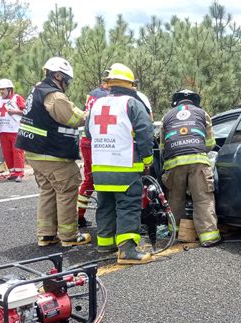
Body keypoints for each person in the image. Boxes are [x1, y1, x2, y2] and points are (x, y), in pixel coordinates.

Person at [15, 57, 91, 247]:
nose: (67, 84)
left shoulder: (37, 90)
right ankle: (69, 236)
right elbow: (73, 118)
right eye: (67, 79)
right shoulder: (54, 96)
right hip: (52, 153)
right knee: (66, 191)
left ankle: (46, 235)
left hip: (35, 153)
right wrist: (90, 114)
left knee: (48, 191)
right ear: (58, 75)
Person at [86, 63, 154, 264]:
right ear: (130, 84)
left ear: (110, 84)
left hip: (100, 168)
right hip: (124, 167)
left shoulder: (96, 105)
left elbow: (89, 133)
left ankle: (105, 243)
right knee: (128, 206)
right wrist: (147, 159)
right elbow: (145, 132)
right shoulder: (132, 104)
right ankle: (127, 251)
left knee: (105, 205)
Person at [159, 89, 221, 247]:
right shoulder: (202, 113)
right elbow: (210, 143)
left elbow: (162, 146)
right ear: (195, 101)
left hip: (174, 163)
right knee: (203, 198)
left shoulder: (167, 116)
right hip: (198, 161)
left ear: (176, 102)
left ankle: (175, 232)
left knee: (175, 199)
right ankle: (209, 237)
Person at [77, 81, 109, 229]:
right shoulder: (106, 97)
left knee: (89, 179)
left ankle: (78, 215)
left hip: (86, 140)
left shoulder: (92, 94)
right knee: (104, 178)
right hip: (97, 141)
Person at [0, 79, 26, 182]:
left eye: (3, 89)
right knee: (6, 152)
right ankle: (12, 172)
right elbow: (0, 112)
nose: (1, 92)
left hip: (15, 130)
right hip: (3, 131)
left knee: (17, 152)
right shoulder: (0, 100)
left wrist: (16, 111)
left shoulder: (17, 98)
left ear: (9, 89)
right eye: (0, 90)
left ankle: (19, 173)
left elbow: (27, 111)